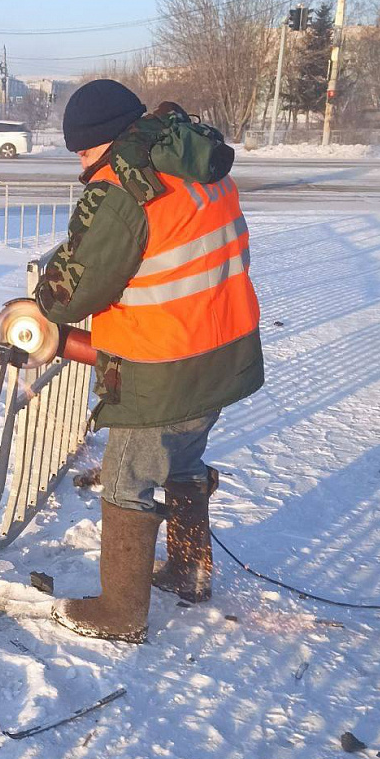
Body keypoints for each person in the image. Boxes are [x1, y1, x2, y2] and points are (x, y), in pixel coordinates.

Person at [35, 79, 264, 644]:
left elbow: (73, 293)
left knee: (125, 480)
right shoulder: (196, 163)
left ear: (108, 140)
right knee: (183, 463)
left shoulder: (125, 189)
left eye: (85, 151)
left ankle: (121, 613)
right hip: (222, 353)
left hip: (163, 365)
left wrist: (44, 296)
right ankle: (188, 572)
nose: (83, 163)